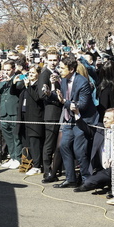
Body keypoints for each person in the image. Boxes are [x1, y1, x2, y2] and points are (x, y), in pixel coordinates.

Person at [53, 54, 98, 189]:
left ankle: (86, 180)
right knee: (64, 146)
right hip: (69, 119)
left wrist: (64, 102)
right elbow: (62, 98)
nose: (59, 70)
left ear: (71, 69)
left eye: (62, 68)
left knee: (79, 150)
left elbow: (82, 105)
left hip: (82, 120)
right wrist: (51, 95)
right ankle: (70, 178)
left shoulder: (82, 82)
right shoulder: (64, 80)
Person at [73, 107, 114, 196]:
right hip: (103, 168)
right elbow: (85, 127)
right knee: (88, 183)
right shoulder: (99, 128)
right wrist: (77, 113)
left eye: (108, 118)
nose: (104, 120)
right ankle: (105, 183)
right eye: (104, 117)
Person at [0, 60, 24, 169]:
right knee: (8, 137)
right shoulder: (2, 80)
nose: (6, 72)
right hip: (4, 112)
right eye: (4, 70)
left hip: (14, 111)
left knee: (16, 136)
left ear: (14, 69)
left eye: (8, 70)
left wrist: (11, 81)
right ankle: (13, 157)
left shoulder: (19, 77)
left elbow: (18, 88)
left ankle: (18, 158)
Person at [38, 50, 63, 183]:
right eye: (51, 60)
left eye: (55, 60)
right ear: (46, 60)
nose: (53, 62)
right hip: (51, 113)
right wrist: (53, 91)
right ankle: (47, 170)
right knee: (49, 142)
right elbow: (42, 95)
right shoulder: (44, 74)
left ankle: (55, 169)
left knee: (57, 144)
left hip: (61, 112)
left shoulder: (58, 73)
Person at [16, 65, 44, 175]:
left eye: (33, 73)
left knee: (35, 142)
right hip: (25, 116)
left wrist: (28, 86)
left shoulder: (38, 85)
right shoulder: (26, 85)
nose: (30, 74)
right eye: (29, 73)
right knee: (28, 142)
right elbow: (16, 92)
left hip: (35, 117)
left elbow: (37, 98)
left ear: (38, 74)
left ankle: (38, 165)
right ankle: (30, 162)